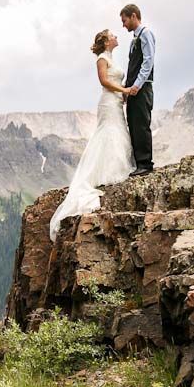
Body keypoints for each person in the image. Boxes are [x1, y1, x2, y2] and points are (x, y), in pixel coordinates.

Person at [49, 29, 135, 242]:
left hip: (115, 101)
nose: (116, 37)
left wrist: (121, 94)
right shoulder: (102, 58)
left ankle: (114, 168)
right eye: (113, 35)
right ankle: (106, 173)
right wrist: (124, 91)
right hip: (108, 101)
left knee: (119, 133)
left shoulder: (111, 57)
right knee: (109, 133)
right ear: (106, 41)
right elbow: (104, 81)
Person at [120, 3, 155, 175]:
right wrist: (127, 88)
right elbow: (132, 66)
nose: (123, 24)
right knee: (133, 124)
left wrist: (137, 85)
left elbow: (148, 61)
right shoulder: (134, 39)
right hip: (132, 90)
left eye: (124, 20)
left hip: (142, 89)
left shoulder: (146, 34)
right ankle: (138, 164)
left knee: (141, 124)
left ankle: (146, 164)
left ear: (134, 16)